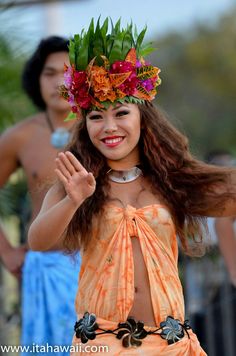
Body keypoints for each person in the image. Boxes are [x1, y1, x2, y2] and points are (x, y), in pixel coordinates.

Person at [28, 18, 236, 355]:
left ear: (142, 117)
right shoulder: (75, 182)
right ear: (86, 125)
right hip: (102, 344)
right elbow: (37, 240)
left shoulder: (171, 182)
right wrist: (74, 200)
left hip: (171, 344)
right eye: (96, 117)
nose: (108, 127)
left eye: (121, 113)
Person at [0, 36, 81, 353]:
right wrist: (6, 252)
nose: (58, 81)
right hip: (46, 272)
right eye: (49, 73)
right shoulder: (21, 135)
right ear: (37, 79)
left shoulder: (106, 128)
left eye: (67, 71)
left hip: (105, 266)